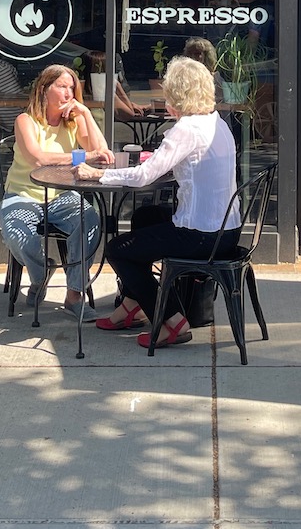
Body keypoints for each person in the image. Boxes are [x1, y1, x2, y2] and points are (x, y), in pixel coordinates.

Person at [76, 56, 240, 350]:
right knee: (146, 217)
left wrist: (99, 175)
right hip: (228, 231)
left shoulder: (185, 129)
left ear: (177, 94)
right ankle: (132, 305)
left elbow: (141, 177)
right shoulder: (218, 123)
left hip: (200, 236)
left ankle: (173, 321)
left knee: (119, 251)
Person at [0, 64, 112, 318]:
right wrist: (83, 156)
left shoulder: (73, 123)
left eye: (72, 88)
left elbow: (102, 153)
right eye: (62, 86)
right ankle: (40, 275)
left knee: (89, 220)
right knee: (19, 235)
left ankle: (74, 294)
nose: (68, 93)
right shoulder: (25, 121)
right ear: (44, 89)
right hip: (23, 195)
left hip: (61, 197)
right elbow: (37, 159)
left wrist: (85, 113)